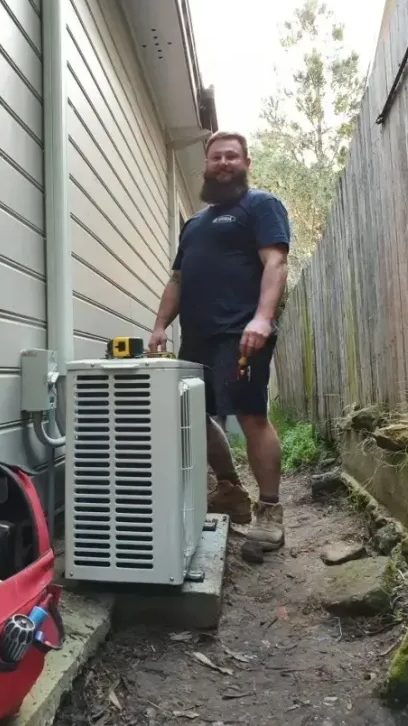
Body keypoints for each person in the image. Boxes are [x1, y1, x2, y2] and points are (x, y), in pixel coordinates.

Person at [148, 131, 290, 551]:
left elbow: (276, 262)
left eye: (232, 156)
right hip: (197, 337)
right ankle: (230, 489)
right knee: (195, 415)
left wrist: (262, 318)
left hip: (241, 333)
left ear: (246, 163)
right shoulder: (194, 223)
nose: (223, 162)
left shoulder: (260, 206)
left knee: (250, 417)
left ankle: (270, 514)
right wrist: (158, 326)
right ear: (206, 166)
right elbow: (178, 279)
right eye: (216, 157)